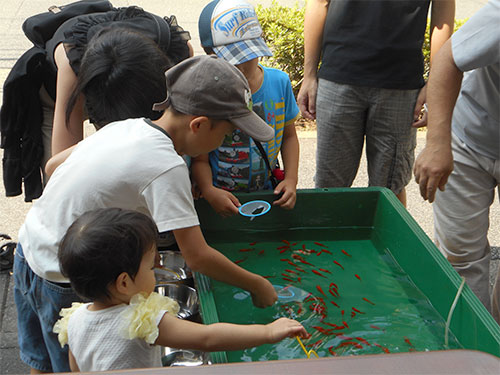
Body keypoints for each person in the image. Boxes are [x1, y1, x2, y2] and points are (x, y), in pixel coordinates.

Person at [13, 54, 279, 373]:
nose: (222, 143)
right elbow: (197, 257)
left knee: (41, 359)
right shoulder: (166, 167)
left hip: (28, 252)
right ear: (199, 125)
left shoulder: (130, 127)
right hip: (66, 278)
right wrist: (257, 285)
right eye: (224, 135)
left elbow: (53, 166)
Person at [53, 207, 308, 372]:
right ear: (124, 283)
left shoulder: (74, 319)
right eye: (150, 268)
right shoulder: (139, 321)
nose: (156, 271)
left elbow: (76, 368)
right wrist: (267, 332)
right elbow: (207, 337)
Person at [1, 4, 192, 200]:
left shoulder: (177, 50)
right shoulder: (71, 61)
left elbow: (182, 129)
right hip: (57, 93)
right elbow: (60, 166)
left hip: (129, 81)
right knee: (60, 187)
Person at [297, 0, 455, 207]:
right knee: (329, 187)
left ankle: (388, 239)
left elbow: (442, 21)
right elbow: (319, 3)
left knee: (390, 187)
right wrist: (308, 75)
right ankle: (325, 240)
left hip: (401, 86)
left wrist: (433, 85)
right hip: (338, 77)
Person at [414, 0, 499, 323]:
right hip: (468, 139)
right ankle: (473, 351)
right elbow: (449, 58)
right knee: (462, 260)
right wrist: (437, 143)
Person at [192, 0, 300, 216]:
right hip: (222, 198)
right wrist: (208, 189)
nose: (240, 66)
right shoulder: (207, 93)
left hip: (268, 192)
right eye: (232, 60)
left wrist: (291, 179)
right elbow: (200, 156)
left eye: (247, 56)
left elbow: (289, 137)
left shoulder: (280, 82)